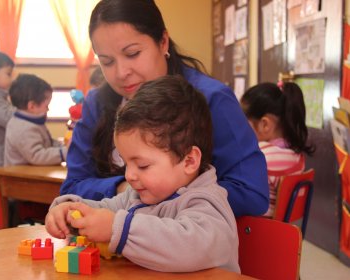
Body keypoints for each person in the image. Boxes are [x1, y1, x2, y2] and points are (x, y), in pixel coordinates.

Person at [60, 0, 269, 217]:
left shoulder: (211, 99)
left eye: (132, 54)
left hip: (191, 244)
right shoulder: (97, 103)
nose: (121, 72)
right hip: (108, 246)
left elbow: (252, 194)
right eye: (107, 61)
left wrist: (164, 199)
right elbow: (72, 187)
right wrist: (128, 188)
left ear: (163, 42)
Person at [46, 75, 240, 273]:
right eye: (125, 163)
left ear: (189, 161)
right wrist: (73, 211)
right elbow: (105, 210)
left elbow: (191, 247)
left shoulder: (207, 203)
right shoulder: (138, 196)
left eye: (142, 165)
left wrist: (116, 229)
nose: (129, 176)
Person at [240, 82, 315, 217]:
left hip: (259, 230)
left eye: (243, 122)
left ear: (265, 124)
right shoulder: (296, 155)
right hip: (283, 230)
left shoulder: (260, 157)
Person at [4, 74, 67, 166]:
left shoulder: (32, 121)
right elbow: (37, 156)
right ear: (32, 106)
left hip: (34, 173)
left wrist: (62, 146)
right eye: (46, 106)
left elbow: (47, 143)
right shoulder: (22, 128)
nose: (48, 109)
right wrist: (64, 153)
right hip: (21, 178)